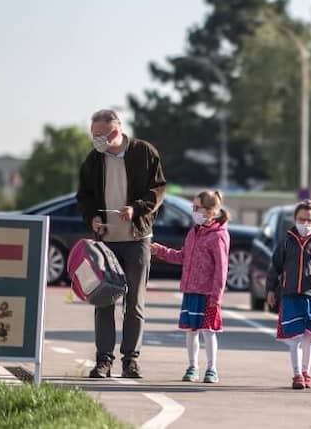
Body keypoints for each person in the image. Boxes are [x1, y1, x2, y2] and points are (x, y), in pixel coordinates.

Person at [76, 109, 166, 379]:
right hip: (106, 242)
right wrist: (91, 217)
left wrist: (136, 209)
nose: (96, 141)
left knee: (134, 304)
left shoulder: (145, 152)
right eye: (93, 136)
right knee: (103, 301)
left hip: (137, 239)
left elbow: (158, 189)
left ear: (116, 130)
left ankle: (131, 360)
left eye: (100, 135)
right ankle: (103, 360)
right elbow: (84, 196)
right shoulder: (93, 160)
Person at [151, 190, 230, 384]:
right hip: (190, 290)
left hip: (208, 294)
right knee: (191, 331)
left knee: (209, 331)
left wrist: (216, 295)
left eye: (197, 208)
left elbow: (222, 268)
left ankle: (212, 368)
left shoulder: (218, 236)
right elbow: (182, 257)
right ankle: (192, 366)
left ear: (211, 211)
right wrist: (160, 251)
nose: (194, 211)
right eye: (193, 207)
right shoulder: (193, 232)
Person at [266, 200, 311, 390]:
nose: (305, 223)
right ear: (294, 219)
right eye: (301, 219)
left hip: (310, 296)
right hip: (290, 295)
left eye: (309, 220)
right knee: (294, 338)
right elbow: (275, 267)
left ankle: (306, 373)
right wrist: (271, 289)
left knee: (308, 338)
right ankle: (296, 375)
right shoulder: (286, 241)